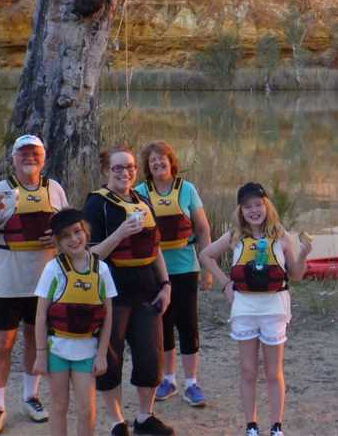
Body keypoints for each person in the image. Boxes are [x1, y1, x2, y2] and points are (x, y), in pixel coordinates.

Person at [0, 134, 69, 435]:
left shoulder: (54, 189)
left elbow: (71, 232)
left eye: (34, 153)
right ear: (13, 158)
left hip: (44, 282)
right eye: (23, 153)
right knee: (3, 344)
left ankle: (30, 397)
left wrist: (58, 237)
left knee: (34, 339)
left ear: (44, 156)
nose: (29, 157)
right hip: (7, 282)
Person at [199, 182, 313, 436]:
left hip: (274, 309)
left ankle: (276, 426)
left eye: (258, 204)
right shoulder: (234, 236)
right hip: (245, 310)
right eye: (247, 206)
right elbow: (205, 255)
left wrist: (303, 255)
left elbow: (295, 275)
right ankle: (251, 425)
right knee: (248, 370)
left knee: (274, 372)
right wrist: (226, 284)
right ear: (241, 210)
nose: (254, 210)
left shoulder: (281, 236)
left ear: (266, 206)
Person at [84, 146, 174, 436]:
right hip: (113, 291)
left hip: (147, 288)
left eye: (131, 167)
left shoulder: (143, 199)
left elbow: (155, 248)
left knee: (150, 355)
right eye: (118, 168)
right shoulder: (96, 205)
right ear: (106, 170)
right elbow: (90, 256)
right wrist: (120, 233)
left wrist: (166, 284)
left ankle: (145, 417)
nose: (125, 173)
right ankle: (116, 421)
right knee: (110, 356)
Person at [134, 141, 212, 407]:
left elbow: (202, 229)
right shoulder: (139, 192)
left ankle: (192, 382)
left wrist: (208, 268)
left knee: (187, 324)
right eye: (152, 161)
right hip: (154, 270)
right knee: (162, 325)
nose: (158, 164)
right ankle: (169, 379)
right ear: (147, 166)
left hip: (185, 266)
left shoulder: (187, 190)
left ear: (171, 162)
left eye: (162, 159)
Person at [33, 208, 117, 436]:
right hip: (57, 350)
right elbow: (40, 315)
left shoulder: (102, 269)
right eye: (65, 236)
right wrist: (41, 354)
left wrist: (101, 354)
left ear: (86, 232)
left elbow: (108, 316)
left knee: (86, 409)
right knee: (59, 405)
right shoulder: (53, 269)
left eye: (77, 232)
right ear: (58, 242)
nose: (73, 239)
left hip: (87, 351)